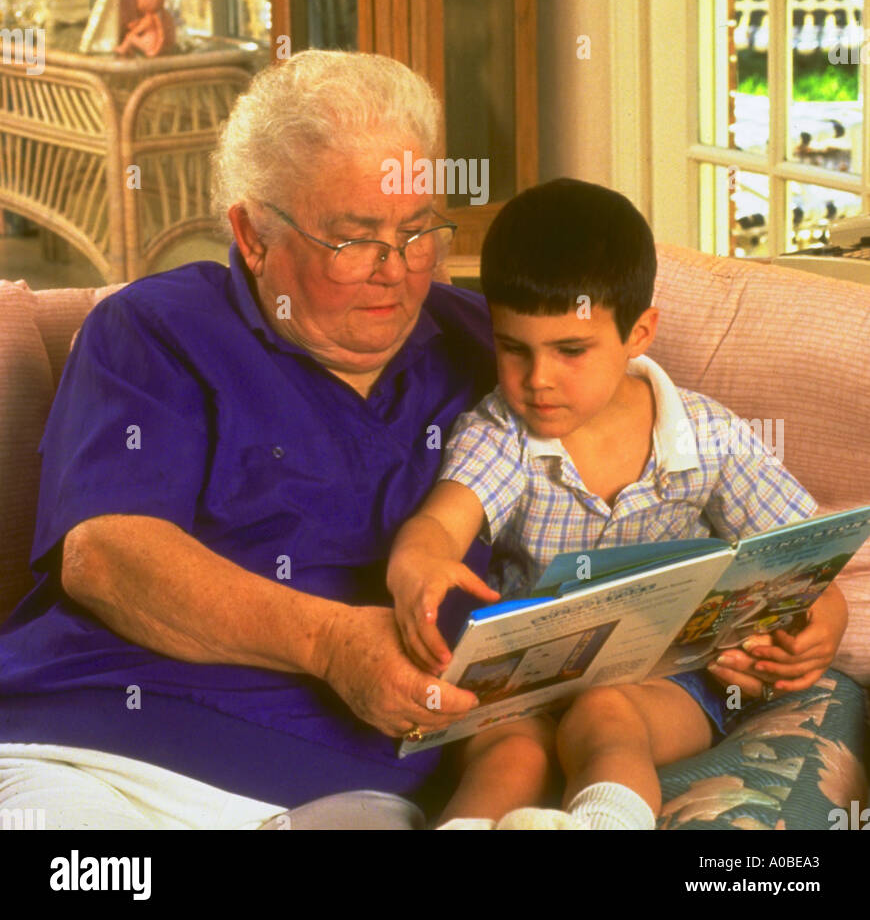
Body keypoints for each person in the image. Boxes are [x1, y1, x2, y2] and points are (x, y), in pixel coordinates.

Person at [0, 50, 496, 830]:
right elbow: (108, 556)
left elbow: (643, 473)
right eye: (354, 239)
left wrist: (726, 634)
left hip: (356, 794)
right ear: (253, 234)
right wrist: (332, 644)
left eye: (417, 231)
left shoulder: (488, 350)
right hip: (102, 754)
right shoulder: (157, 330)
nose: (396, 271)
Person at [387, 178, 848, 830]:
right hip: (523, 683)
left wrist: (823, 620)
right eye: (513, 347)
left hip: (661, 683)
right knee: (508, 757)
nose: (537, 378)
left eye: (571, 351)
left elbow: (807, 553)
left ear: (640, 332)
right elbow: (442, 519)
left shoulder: (708, 436)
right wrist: (419, 561)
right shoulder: (501, 431)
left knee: (606, 716)